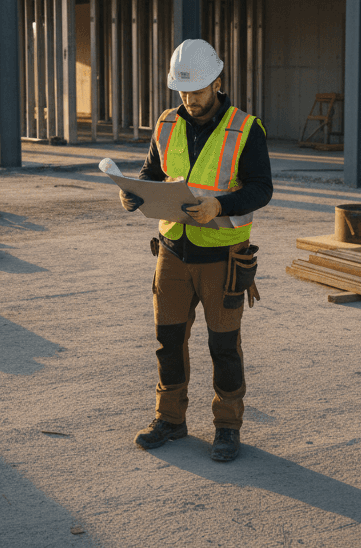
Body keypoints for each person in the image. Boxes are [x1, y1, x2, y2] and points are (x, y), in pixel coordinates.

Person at [118, 39, 273, 462]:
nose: (190, 101)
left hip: (222, 258)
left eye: (198, 92)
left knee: (223, 346)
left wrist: (219, 205)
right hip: (171, 252)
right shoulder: (167, 122)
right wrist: (133, 192)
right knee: (167, 341)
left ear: (217, 83)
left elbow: (262, 189)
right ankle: (170, 419)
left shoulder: (246, 129)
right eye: (183, 92)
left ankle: (227, 426)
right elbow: (153, 172)